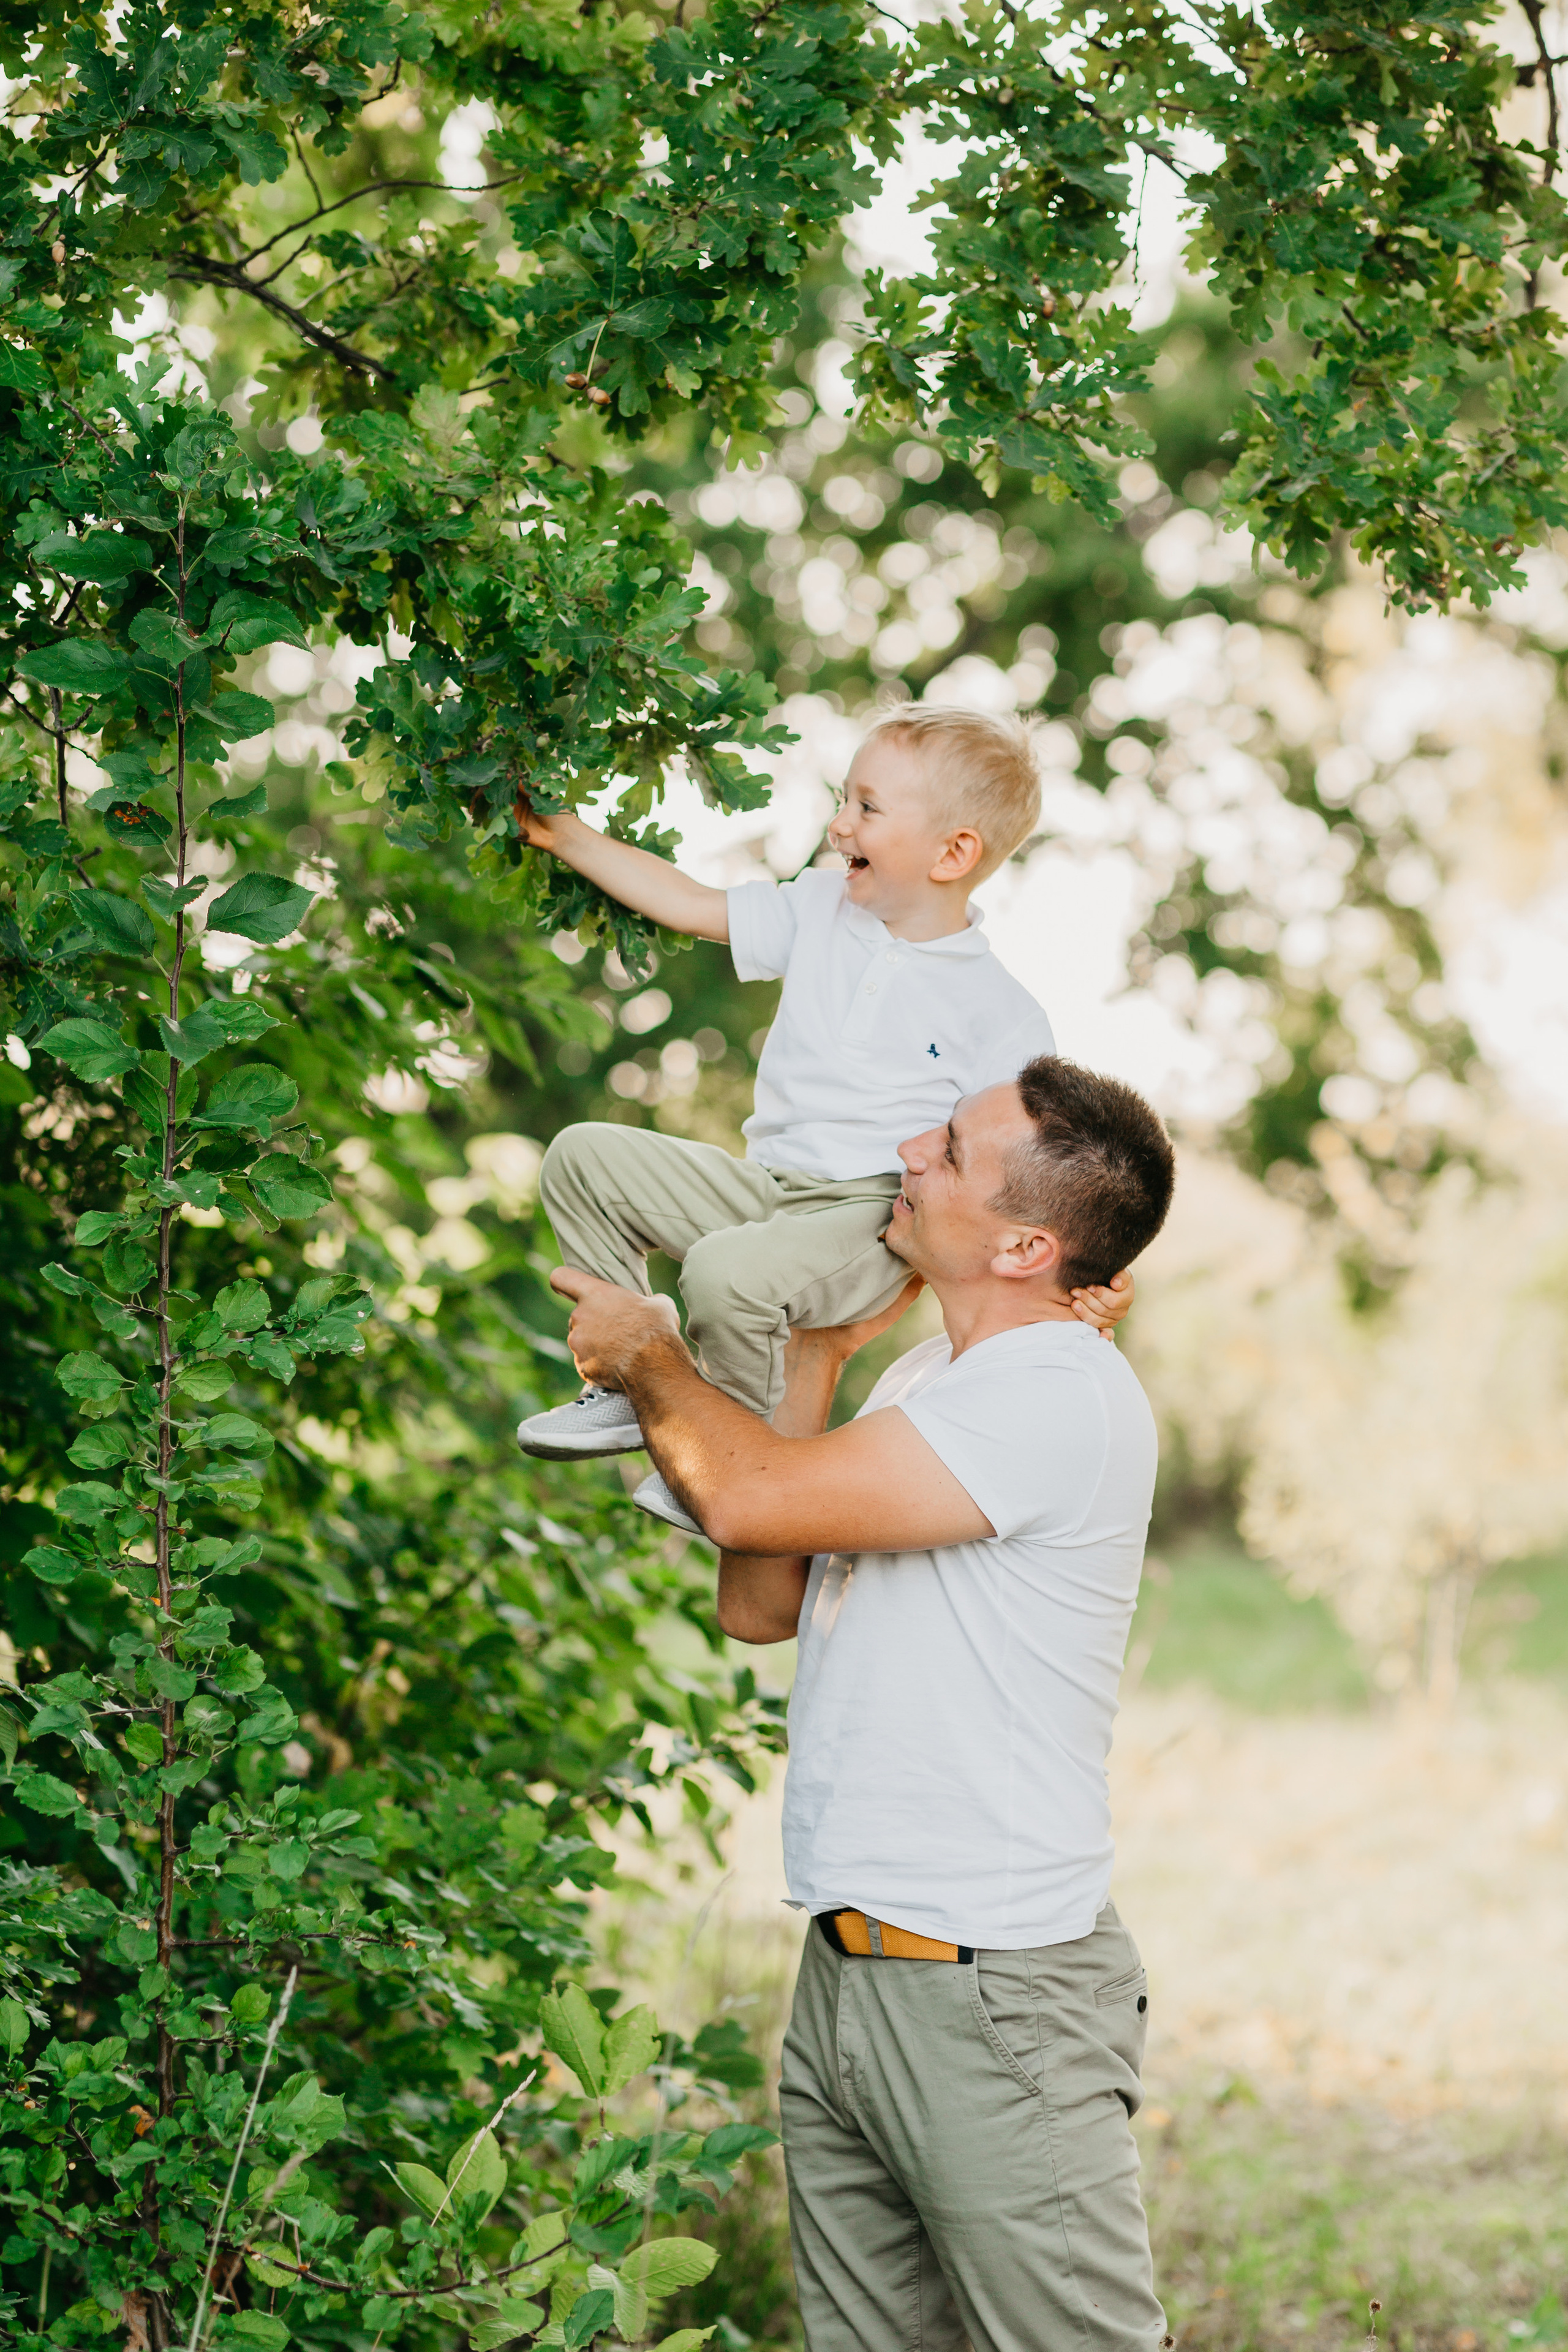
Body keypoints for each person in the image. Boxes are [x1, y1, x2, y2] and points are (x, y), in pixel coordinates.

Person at [549, 1054, 1178, 2352]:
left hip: (990, 1993)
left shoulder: (1054, 1393)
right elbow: (757, 1599)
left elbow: (744, 1498)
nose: (906, 1153)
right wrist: (818, 1353)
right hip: (849, 1971)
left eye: (947, 1149)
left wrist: (650, 1356)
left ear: (1025, 1246)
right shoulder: (926, 1382)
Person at [514, 704, 1132, 1533]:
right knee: (581, 1156)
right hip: (766, 1190)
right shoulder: (818, 908)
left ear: (953, 853)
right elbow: (690, 903)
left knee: (724, 1275)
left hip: (869, 1217)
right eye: (845, 799)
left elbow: (1044, 1170)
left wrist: (1091, 1279)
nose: (840, 825)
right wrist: (566, 837)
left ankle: (722, 1456)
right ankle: (625, 1392)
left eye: (867, 807)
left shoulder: (1002, 1013)